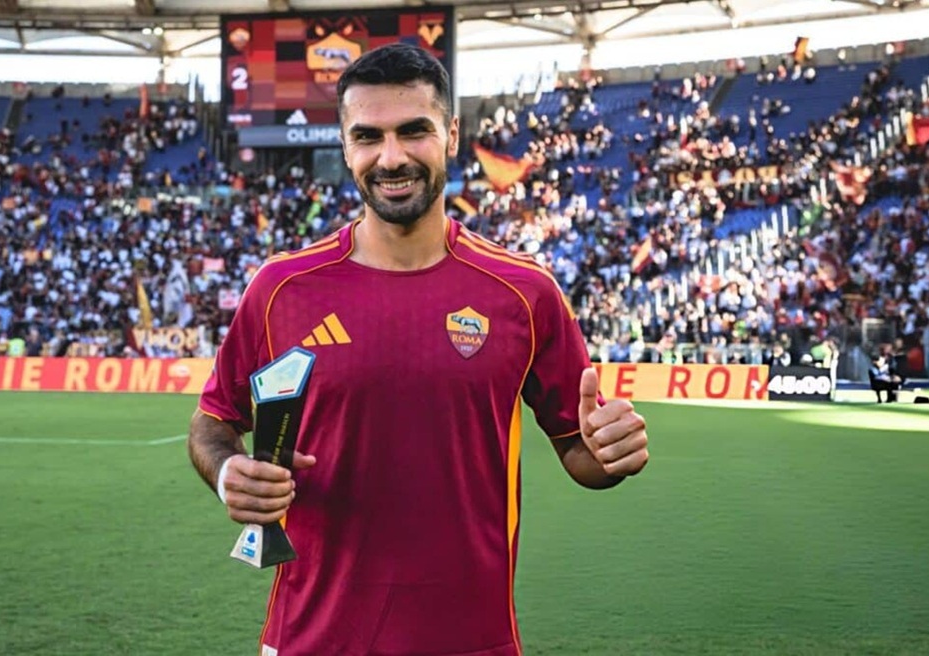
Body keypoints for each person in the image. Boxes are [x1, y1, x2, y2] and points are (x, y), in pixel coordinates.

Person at [186, 44, 650, 656]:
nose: (392, 157)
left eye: (413, 131)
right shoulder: (280, 288)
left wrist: (609, 452)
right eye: (368, 136)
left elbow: (580, 452)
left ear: (451, 134)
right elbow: (214, 420)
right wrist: (227, 472)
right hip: (311, 640)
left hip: (473, 641)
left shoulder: (525, 292)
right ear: (345, 146)